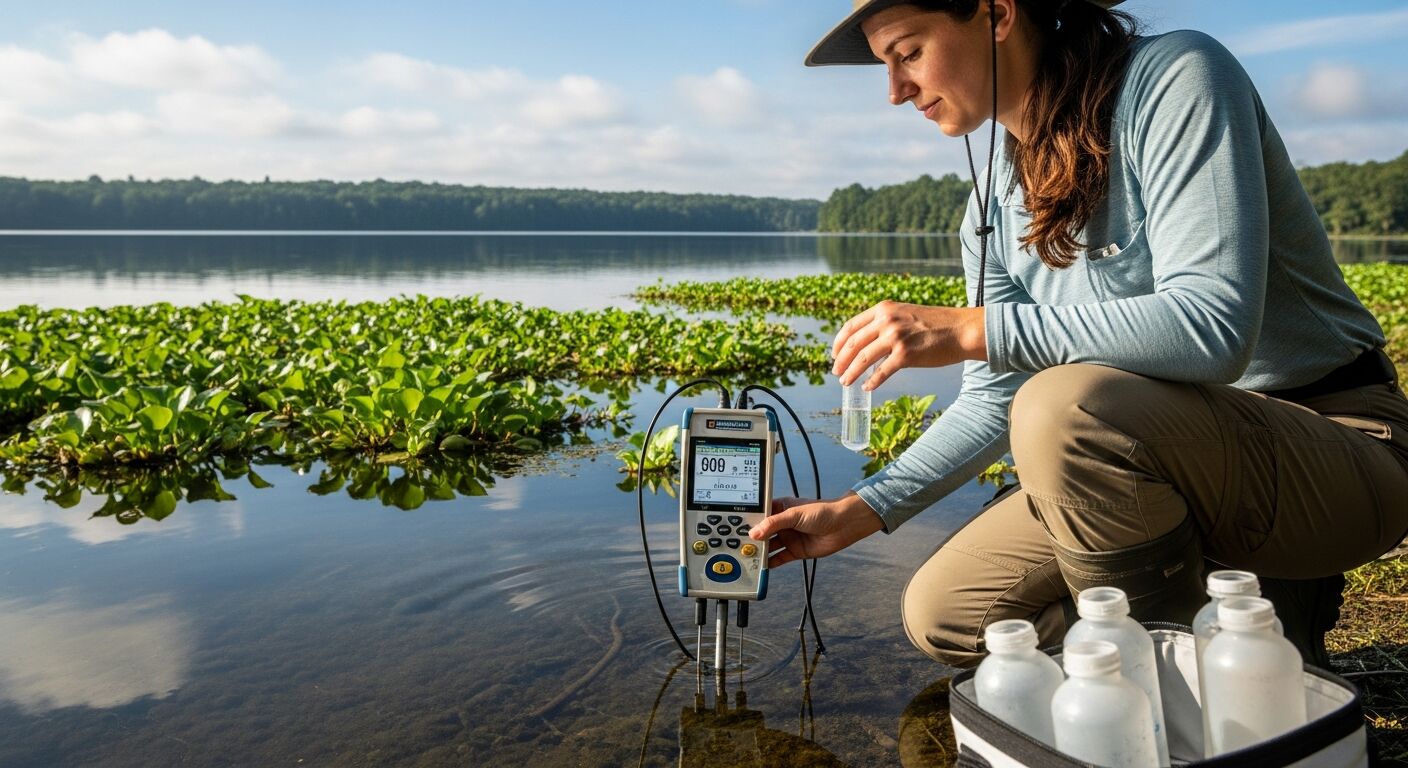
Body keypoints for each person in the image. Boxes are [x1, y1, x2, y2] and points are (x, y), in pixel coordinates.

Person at [746, 0, 1408, 668]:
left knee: (1062, 406)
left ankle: (1180, 691)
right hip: (1167, 456)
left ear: (997, 14)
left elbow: (1213, 327)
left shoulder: (1177, 78)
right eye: (885, 66)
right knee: (946, 616)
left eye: (909, 52)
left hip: (1338, 443)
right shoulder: (990, 206)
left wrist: (977, 329)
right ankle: (1231, 612)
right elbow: (990, 403)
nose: (895, 91)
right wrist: (857, 510)